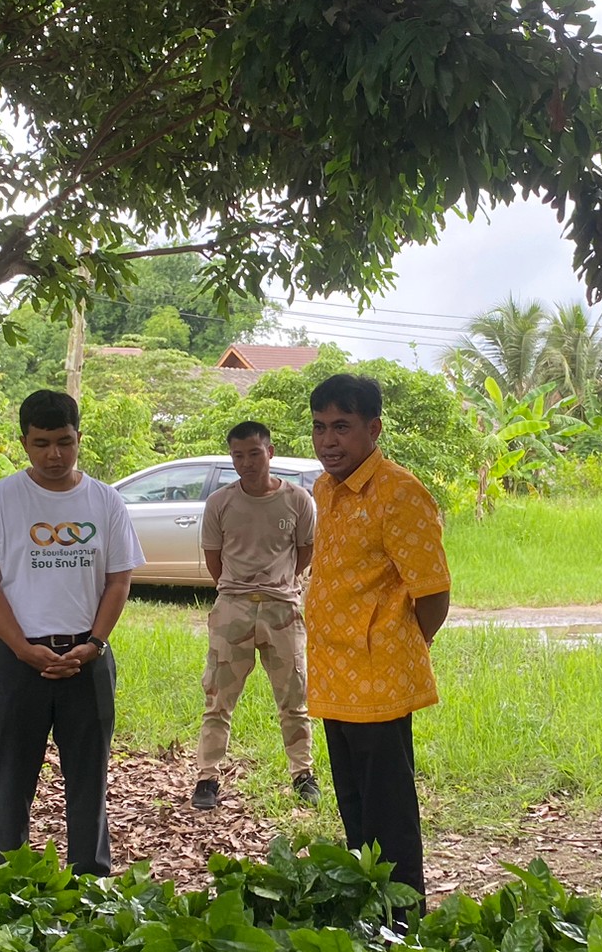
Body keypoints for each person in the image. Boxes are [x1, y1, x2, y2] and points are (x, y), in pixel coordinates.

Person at [0, 389, 144, 871]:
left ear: (79, 438)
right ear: (24, 442)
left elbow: (119, 580)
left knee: (89, 780)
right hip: (15, 663)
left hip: (87, 661)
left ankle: (91, 881)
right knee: (10, 779)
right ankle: (5, 879)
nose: (54, 455)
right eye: (41, 443)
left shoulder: (104, 500)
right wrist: (22, 647)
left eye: (64, 442)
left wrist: (95, 643)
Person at [304, 373, 450, 899]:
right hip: (333, 677)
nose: (328, 441)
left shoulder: (400, 493)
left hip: (380, 681)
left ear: (374, 428)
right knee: (355, 808)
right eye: (320, 427)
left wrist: (399, 646)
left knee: (389, 815)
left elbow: (433, 594)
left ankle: (403, 920)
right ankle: (367, 912)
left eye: (342, 427)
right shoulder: (324, 489)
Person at [191, 422, 320, 810]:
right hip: (234, 608)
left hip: (282, 609)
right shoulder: (220, 502)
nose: (246, 462)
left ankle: (303, 774)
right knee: (218, 699)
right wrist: (237, 589)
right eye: (238, 455)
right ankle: (207, 778)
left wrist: (282, 584)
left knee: (295, 697)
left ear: (270, 452)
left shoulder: (297, 499)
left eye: (254, 453)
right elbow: (214, 558)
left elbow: (305, 551)